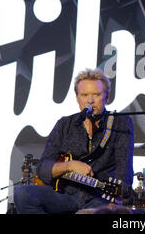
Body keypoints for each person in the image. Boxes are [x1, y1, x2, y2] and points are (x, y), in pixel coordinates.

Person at [14, 68, 135, 213]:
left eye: (96, 94)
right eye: (84, 95)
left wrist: (115, 202)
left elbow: (124, 170)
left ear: (106, 96)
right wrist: (70, 165)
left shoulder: (120, 123)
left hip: (99, 198)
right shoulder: (64, 124)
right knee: (23, 195)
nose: (90, 100)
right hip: (65, 196)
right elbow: (43, 167)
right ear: (77, 98)